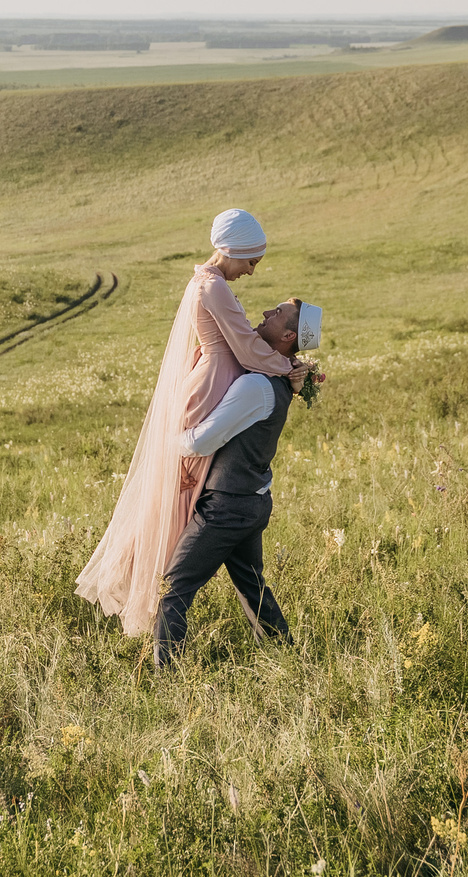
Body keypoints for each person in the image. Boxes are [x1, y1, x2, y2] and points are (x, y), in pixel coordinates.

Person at [76, 209, 300, 638]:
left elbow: (249, 348)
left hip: (220, 377)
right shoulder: (212, 287)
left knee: (192, 492)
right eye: (251, 260)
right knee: (186, 481)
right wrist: (287, 368)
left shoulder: (211, 283)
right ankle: (150, 580)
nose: (253, 271)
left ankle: (169, 590)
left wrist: (286, 364)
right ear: (231, 251)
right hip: (214, 379)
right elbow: (248, 351)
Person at [154, 299, 323, 670]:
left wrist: (163, 440)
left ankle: (164, 681)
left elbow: (200, 442)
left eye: (277, 314)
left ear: (289, 335)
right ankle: (289, 660)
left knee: (174, 588)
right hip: (251, 501)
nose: (265, 314)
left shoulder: (255, 386)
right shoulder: (276, 380)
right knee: (252, 587)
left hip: (227, 507)